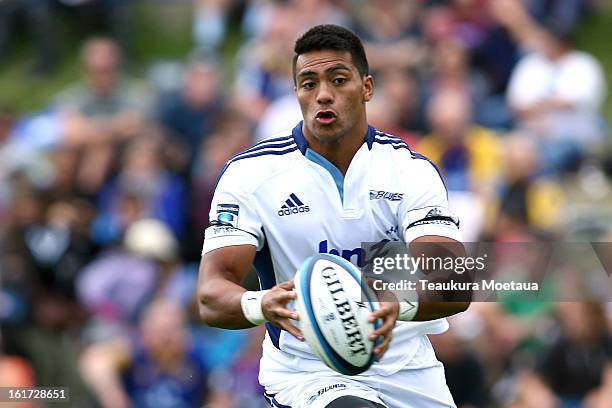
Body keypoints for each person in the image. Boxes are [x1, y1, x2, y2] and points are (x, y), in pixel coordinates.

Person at [198, 25, 470, 408]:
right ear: (296, 93)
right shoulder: (251, 175)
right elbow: (211, 294)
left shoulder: (410, 171)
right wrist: (260, 305)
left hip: (409, 371)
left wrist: (394, 300)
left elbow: (454, 281)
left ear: (367, 88)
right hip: (309, 375)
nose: (323, 94)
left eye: (338, 80)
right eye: (308, 84)